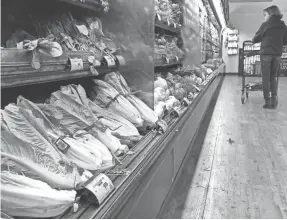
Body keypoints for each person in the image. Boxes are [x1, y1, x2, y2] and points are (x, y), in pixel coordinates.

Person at [252, 5, 287, 109]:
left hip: (266, 53)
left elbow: (256, 38)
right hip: (277, 54)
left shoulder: (265, 25)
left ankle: (267, 100)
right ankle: (274, 99)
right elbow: (285, 41)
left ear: (270, 14)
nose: (264, 17)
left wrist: (255, 40)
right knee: (273, 77)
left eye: (265, 15)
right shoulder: (283, 25)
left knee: (265, 78)